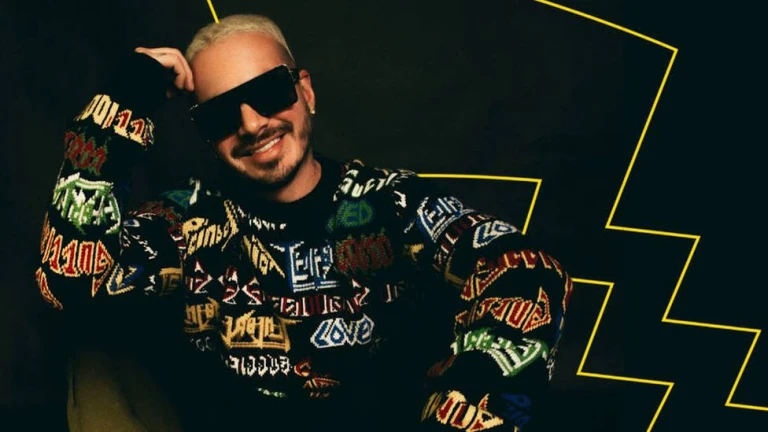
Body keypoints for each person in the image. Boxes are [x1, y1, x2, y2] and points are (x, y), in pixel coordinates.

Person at [35, 14, 573, 432]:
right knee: (93, 353)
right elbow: (68, 282)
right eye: (221, 115)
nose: (252, 124)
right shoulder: (187, 218)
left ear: (306, 91)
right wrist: (123, 104)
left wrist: (460, 410)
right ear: (206, 137)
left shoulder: (387, 202)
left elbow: (528, 272)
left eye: (269, 93)